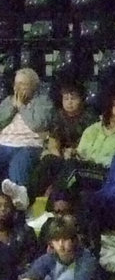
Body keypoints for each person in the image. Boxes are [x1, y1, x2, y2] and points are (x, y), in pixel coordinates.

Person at [0, 68, 54, 196]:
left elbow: (38, 125)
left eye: (22, 84)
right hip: (4, 143)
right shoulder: (8, 101)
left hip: (29, 145)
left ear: (34, 86)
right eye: (16, 84)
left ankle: (20, 202)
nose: (18, 87)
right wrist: (13, 106)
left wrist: (22, 107)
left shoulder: (43, 102)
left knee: (19, 164)